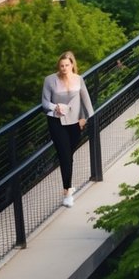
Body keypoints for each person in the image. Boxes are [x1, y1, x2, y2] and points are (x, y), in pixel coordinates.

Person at [41, 51, 95, 208]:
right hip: (56, 121)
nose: (64, 68)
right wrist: (55, 106)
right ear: (59, 66)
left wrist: (84, 118)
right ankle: (67, 192)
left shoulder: (78, 80)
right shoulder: (50, 80)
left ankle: (68, 184)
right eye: (61, 65)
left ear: (72, 65)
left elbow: (86, 100)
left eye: (67, 65)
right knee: (64, 155)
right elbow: (44, 103)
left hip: (75, 123)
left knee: (69, 155)